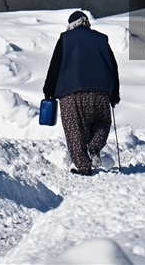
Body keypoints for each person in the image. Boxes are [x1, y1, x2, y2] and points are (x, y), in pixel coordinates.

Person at [43, 10, 120, 176]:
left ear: (71, 25)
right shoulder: (102, 39)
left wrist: (48, 90)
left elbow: (55, 65)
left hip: (72, 93)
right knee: (102, 123)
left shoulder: (65, 39)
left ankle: (83, 166)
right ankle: (94, 146)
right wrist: (114, 93)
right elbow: (113, 67)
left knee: (74, 129)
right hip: (100, 93)